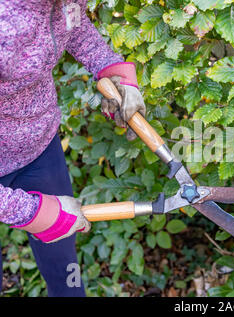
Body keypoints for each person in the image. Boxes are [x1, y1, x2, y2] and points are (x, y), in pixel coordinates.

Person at [0, 0, 145, 296]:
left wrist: (110, 68)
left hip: (39, 149)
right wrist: (31, 212)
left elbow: (73, 23)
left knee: (66, 273)